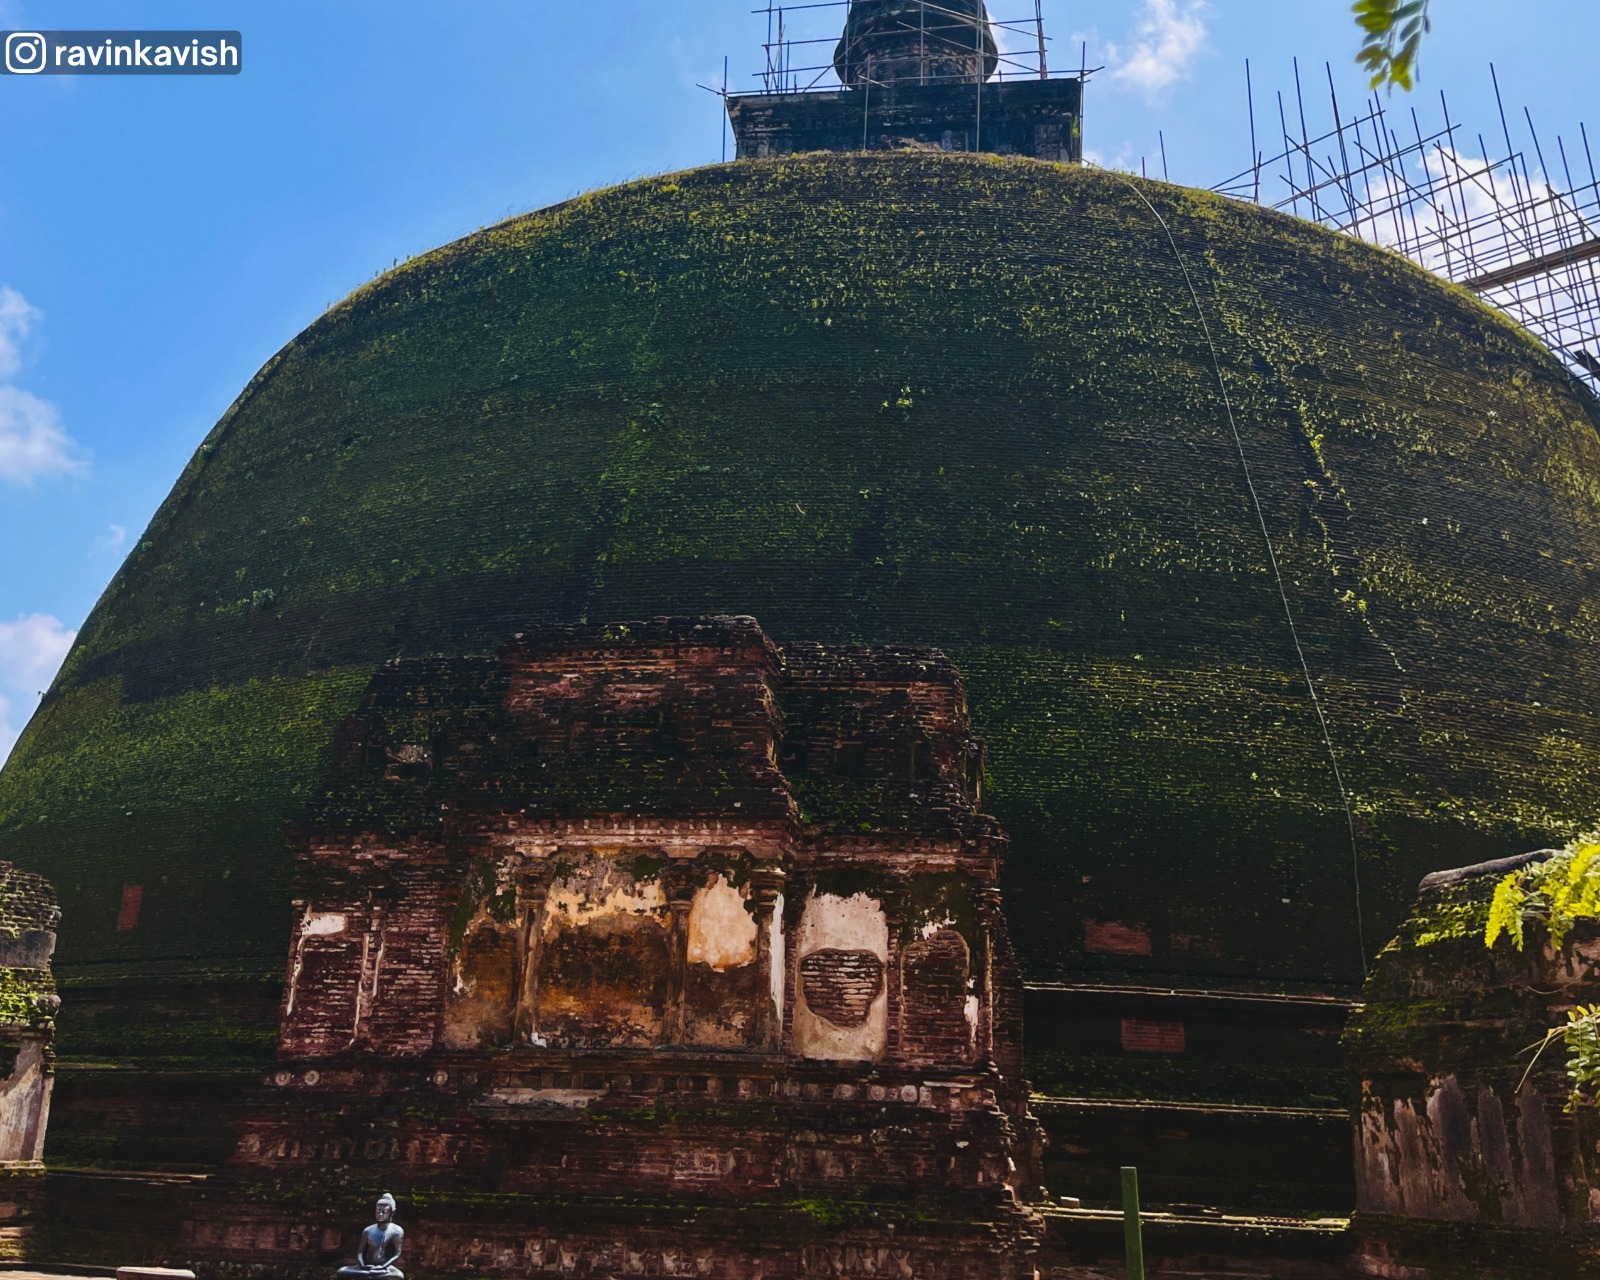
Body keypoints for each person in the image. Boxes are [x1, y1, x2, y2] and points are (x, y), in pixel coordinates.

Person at [337, 1192, 405, 1280]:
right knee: (342, 1272)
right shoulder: (368, 1230)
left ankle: (372, 1275)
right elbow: (361, 1253)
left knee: (398, 1276)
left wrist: (383, 1267)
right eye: (377, 1211)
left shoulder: (397, 1231)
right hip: (367, 1267)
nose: (380, 1214)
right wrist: (363, 1265)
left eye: (384, 1212)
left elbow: (396, 1254)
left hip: (385, 1268)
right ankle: (370, 1274)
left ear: (392, 1212)